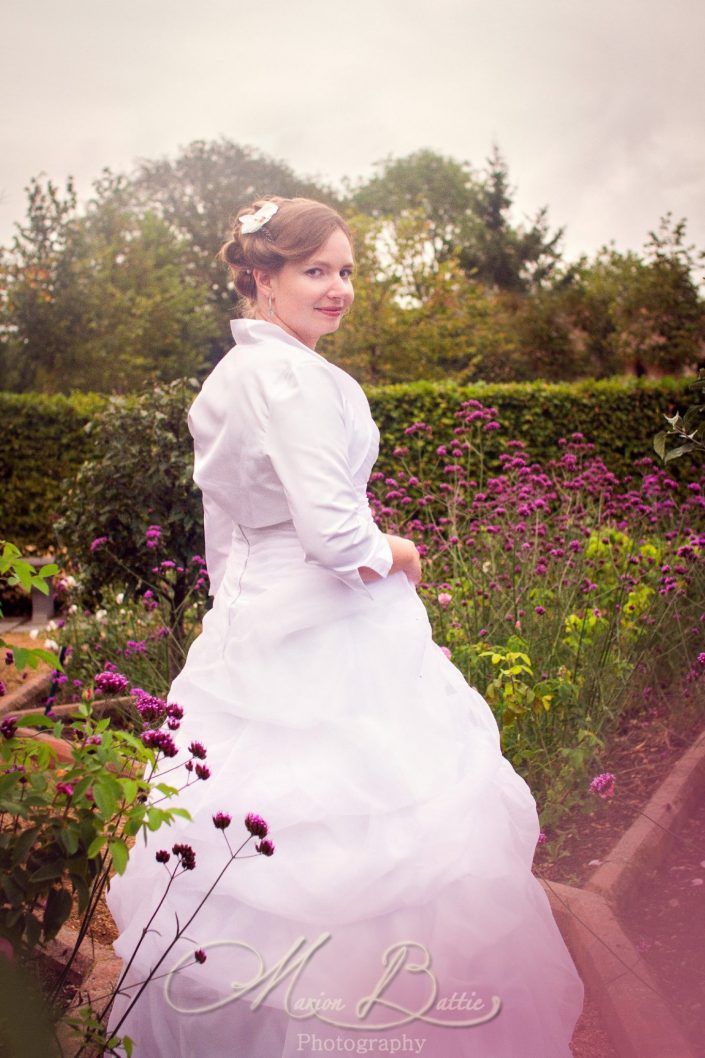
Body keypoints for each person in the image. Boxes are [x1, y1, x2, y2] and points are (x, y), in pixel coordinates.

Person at [105, 196, 585, 1057]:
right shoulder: (287, 377)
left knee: (261, 834)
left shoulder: (236, 374)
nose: (338, 289)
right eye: (314, 270)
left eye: (346, 271)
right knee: (377, 826)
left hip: (261, 616)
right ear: (262, 277)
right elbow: (334, 536)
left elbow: (232, 531)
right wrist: (395, 549)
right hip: (327, 625)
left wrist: (239, 620)